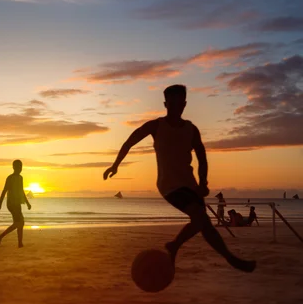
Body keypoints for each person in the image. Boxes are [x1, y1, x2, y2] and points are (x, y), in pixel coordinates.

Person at [104, 84, 255, 272]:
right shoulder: (156, 126)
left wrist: (203, 182)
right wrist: (115, 165)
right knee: (200, 218)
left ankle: (176, 246)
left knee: (203, 223)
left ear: (184, 104)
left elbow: (202, 157)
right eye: (171, 103)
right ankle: (229, 258)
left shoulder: (191, 129)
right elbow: (129, 142)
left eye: (179, 103)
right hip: (169, 185)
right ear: (165, 104)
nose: (175, 107)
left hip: (189, 184)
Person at [0, 160, 31, 248]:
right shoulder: (10, 178)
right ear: (14, 167)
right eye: (18, 167)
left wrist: (27, 202)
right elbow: (4, 191)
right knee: (20, 222)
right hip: (11, 203)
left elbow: (22, 191)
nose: (20, 169)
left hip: (17, 203)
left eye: (21, 167)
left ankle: (19, 243)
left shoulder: (20, 178)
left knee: (20, 223)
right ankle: (0, 237)